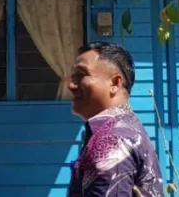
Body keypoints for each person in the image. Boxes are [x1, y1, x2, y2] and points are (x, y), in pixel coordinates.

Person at [67, 42, 163, 197]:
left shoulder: (112, 139)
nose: (71, 85)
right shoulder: (125, 128)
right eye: (73, 77)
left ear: (115, 83)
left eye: (81, 75)